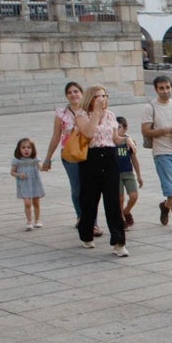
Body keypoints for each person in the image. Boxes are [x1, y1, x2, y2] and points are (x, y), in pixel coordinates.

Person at [75, 85, 128, 257]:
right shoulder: (82, 115)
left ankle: (119, 242)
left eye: (104, 95)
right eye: (98, 96)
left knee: (113, 200)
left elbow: (114, 138)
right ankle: (86, 233)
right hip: (92, 157)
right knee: (90, 199)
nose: (102, 99)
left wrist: (127, 140)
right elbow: (89, 133)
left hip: (110, 156)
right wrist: (96, 113)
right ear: (90, 98)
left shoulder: (111, 115)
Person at [42, 81, 96, 236]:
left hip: (88, 153)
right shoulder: (62, 114)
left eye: (76, 91)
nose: (73, 95)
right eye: (70, 92)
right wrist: (48, 158)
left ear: (82, 93)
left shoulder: (89, 110)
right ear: (67, 95)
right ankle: (81, 217)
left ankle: (93, 222)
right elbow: (56, 136)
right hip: (70, 153)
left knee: (90, 187)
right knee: (77, 187)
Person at [140, 76, 172, 233]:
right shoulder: (150, 108)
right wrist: (165, 131)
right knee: (171, 188)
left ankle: (165, 205)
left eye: (167, 87)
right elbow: (145, 130)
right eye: (161, 88)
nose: (165, 91)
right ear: (156, 89)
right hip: (162, 153)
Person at [114, 117, 143, 228]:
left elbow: (134, 159)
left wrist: (139, 175)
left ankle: (127, 211)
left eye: (119, 127)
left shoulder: (129, 142)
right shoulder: (111, 142)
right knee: (120, 198)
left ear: (125, 129)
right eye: (115, 128)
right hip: (116, 174)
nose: (117, 130)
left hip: (128, 172)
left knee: (134, 196)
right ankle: (121, 219)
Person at [10, 137, 45, 230]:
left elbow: (41, 167)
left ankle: (37, 220)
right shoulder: (17, 160)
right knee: (27, 203)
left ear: (33, 149)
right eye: (23, 147)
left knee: (36, 202)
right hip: (24, 183)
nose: (26, 149)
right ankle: (29, 221)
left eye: (29, 147)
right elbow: (12, 172)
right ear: (19, 149)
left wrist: (45, 166)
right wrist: (18, 174)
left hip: (35, 182)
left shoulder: (35, 159)